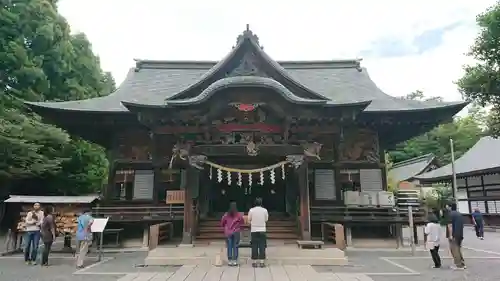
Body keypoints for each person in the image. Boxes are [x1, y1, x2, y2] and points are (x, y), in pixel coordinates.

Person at [220, 202, 244, 266]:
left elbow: (222, 222)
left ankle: (230, 260)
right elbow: (242, 222)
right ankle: (235, 260)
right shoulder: (238, 215)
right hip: (236, 231)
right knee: (235, 245)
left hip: (228, 232)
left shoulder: (226, 215)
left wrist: (225, 226)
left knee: (229, 246)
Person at [248, 197, 268, 268]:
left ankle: (254, 262)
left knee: (254, 246)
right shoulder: (265, 210)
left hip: (254, 230)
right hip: (262, 230)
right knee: (262, 246)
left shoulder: (251, 210)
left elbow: (249, 219)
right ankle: (262, 262)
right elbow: (266, 219)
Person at [448, 203, 466, 270]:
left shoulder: (450, 214)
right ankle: (462, 263)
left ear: (450, 207)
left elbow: (450, 226)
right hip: (460, 234)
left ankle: (458, 265)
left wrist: (450, 235)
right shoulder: (459, 214)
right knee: (458, 249)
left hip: (454, 235)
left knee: (454, 250)